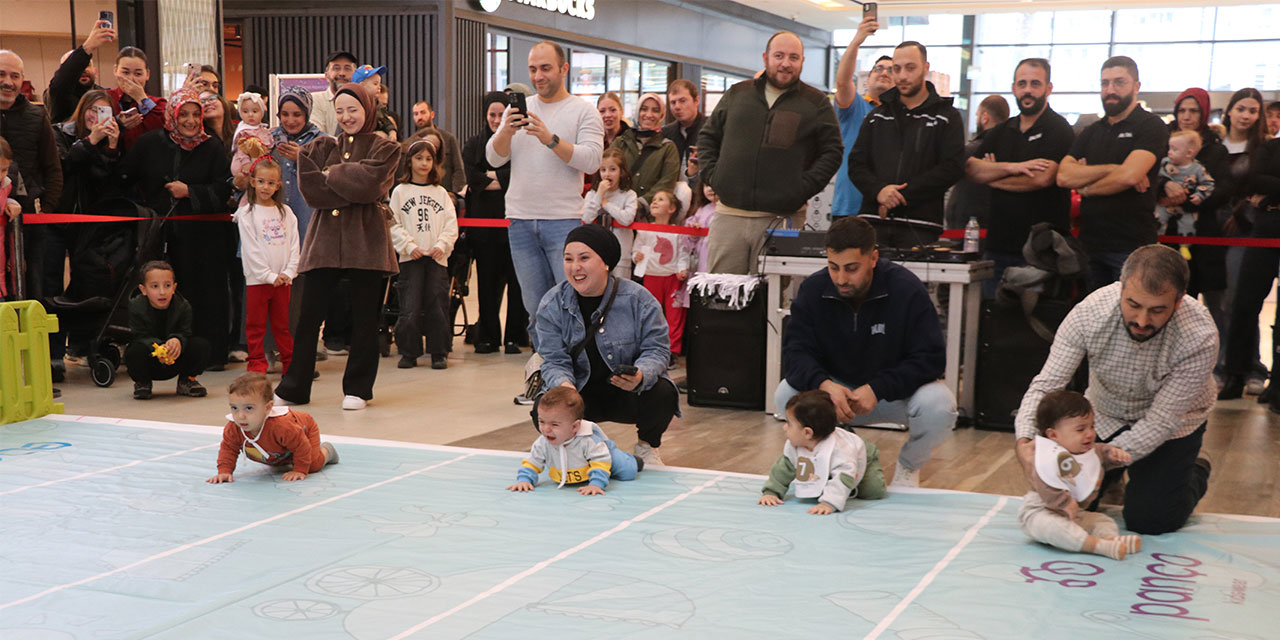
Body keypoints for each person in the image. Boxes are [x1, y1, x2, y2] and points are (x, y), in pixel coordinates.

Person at [1014, 245, 1215, 535]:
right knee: (1069, 505)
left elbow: (1161, 421)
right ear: (1121, 289)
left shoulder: (1200, 336)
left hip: (1176, 426)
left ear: (1180, 300)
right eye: (1133, 305)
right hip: (1104, 414)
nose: (1142, 321)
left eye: (1157, 310)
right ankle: (1115, 477)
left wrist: (1101, 460)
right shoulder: (1088, 315)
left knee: (1151, 520)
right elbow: (1047, 385)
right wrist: (1024, 442)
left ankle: (1196, 468)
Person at [778, 216, 955, 488]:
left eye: (851, 268)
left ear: (873, 257)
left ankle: (909, 468)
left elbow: (930, 358)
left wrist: (877, 388)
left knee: (939, 404)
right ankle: (830, 455)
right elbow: (795, 354)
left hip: (889, 396)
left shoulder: (906, 289)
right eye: (833, 267)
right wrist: (825, 385)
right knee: (786, 395)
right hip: (834, 396)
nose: (841, 278)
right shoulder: (813, 290)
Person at [273, 83, 401, 411]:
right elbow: (312, 191)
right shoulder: (320, 146)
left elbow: (370, 185)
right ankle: (295, 386)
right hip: (324, 240)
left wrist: (331, 175)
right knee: (307, 316)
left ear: (369, 110)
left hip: (367, 242)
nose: (346, 117)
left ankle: (358, 388)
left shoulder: (386, 149)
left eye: (353, 110)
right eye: (340, 110)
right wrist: (345, 179)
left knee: (363, 319)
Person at [486, 40, 604, 345]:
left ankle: (573, 380)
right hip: (520, 221)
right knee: (536, 309)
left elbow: (591, 159)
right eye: (533, 69)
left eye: (546, 68)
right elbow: (493, 158)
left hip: (562, 221)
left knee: (571, 305)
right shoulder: (519, 109)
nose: (538, 76)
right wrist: (507, 132)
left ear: (564, 69)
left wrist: (551, 139)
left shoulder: (584, 111)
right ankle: (547, 375)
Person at [697, 31, 843, 274]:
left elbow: (832, 151)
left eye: (794, 57)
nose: (786, 63)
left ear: (802, 61)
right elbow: (707, 137)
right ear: (766, 58)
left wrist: (802, 187)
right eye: (779, 55)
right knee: (722, 297)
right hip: (729, 217)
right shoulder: (737, 94)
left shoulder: (815, 103)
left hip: (783, 220)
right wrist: (714, 176)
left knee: (776, 300)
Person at [536, 225, 678, 466]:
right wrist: (565, 386)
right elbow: (553, 359)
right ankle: (572, 449)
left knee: (663, 392)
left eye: (584, 258)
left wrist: (641, 375)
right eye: (568, 259)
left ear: (606, 263)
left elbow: (658, 349)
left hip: (626, 392)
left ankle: (647, 447)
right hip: (579, 393)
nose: (575, 267)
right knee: (544, 405)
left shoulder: (638, 299)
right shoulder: (552, 303)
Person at [119, 88, 233, 370]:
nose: (191, 121)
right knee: (161, 294)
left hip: (205, 240)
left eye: (196, 114)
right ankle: (159, 356)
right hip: (162, 237)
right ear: (173, 115)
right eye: (184, 114)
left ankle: (208, 355)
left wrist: (190, 192)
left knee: (207, 296)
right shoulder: (150, 143)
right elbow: (124, 178)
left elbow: (224, 190)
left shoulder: (212, 146)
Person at [964, 58, 1075, 295]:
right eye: (1022, 83)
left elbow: (1040, 179)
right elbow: (972, 169)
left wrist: (992, 175)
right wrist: (1015, 168)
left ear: (1048, 88)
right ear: (1013, 88)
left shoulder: (1059, 129)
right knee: (992, 321)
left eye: (1035, 84)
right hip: (998, 246)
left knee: (1032, 327)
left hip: (1041, 252)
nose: (1028, 90)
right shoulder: (1001, 131)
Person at [1056, 56, 1168, 289]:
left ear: (1136, 86)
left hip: (1132, 246)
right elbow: (1064, 176)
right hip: (1090, 244)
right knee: (1093, 320)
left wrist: (1085, 186)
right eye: (1104, 83)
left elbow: (1129, 177)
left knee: (1131, 318)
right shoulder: (1091, 132)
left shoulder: (1150, 126)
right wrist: (1113, 169)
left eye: (1119, 82)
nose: (1110, 90)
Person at [847, 41, 965, 247]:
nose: (902, 76)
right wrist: (879, 191)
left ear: (925, 68)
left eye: (910, 68)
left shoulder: (946, 117)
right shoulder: (877, 116)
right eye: (897, 69)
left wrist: (899, 196)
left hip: (921, 226)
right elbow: (856, 164)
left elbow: (952, 167)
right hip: (873, 224)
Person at [1018, 390, 1142, 561]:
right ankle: (1097, 546)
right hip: (1041, 512)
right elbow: (1045, 485)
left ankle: (1112, 540)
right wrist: (1064, 502)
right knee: (1055, 528)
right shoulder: (1046, 457)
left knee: (1102, 520)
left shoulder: (1090, 451)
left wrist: (1113, 455)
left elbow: (1102, 453)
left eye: (1092, 426)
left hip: (1077, 513)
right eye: (1080, 429)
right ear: (1053, 435)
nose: (1090, 433)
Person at [50, 90, 120, 371]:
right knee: (51, 284)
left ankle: (82, 344)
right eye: (93, 109)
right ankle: (54, 353)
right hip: (56, 222)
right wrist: (90, 141)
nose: (97, 117)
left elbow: (109, 185)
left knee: (87, 282)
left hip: (90, 227)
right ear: (82, 110)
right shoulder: (59, 133)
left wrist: (112, 148)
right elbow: (63, 167)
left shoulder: (109, 141)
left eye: (104, 112)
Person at [1220, 90, 1280, 405]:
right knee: (1243, 303)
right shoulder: (1269, 147)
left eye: (1253, 110)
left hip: (1264, 221)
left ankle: (1274, 382)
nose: (1247, 115)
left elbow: (1261, 181)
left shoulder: (1265, 147)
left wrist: (1270, 187)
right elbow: (1254, 179)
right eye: (1240, 109)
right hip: (1265, 226)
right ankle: (1235, 373)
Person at [463, 91, 527, 355]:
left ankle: (515, 335)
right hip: (483, 228)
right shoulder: (473, 144)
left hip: (514, 223)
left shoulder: (521, 142)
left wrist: (492, 176)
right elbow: (473, 179)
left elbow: (520, 176)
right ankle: (488, 336)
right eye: (492, 114)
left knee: (517, 284)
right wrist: (500, 177)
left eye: (502, 115)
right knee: (486, 284)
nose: (496, 119)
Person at [0, 50, 63, 308]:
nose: (8, 81)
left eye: (14, 76)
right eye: (1, 74)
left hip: (30, 226)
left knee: (31, 291)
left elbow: (53, 169)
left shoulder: (37, 117)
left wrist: (44, 211)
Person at [758, 389, 887, 514]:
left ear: (807, 432)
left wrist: (830, 502)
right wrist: (771, 492)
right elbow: (782, 470)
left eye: (789, 423)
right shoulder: (795, 445)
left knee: (872, 492)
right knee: (827, 478)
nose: (784, 427)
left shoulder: (841, 450)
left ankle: (856, 479)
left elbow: (845, 476)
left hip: (863, 455)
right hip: (838, 460)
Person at [390, 139, 459, 370]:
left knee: (437, 305)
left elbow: (451, 224)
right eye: (419, 158)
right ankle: (409, 351)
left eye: (429, 159)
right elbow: (392, 223)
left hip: (436, 259)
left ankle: (439, 351)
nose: (424, 163)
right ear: (409, 161)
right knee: (409, 307)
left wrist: (442, 244)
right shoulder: (400, 192)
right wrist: (409, 246)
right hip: (411, 259)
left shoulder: (440, 193)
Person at [506, 385, 642, 495]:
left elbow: (600, 461)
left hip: (603, 456)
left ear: (575, 426)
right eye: (542, 421)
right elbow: (532, 462)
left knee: (627, 472)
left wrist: (596, 484)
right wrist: (524, 480)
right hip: (579, 469)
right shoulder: (543, 442)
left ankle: (632, 460)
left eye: (554, 424)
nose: (546, 429)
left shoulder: (588, 440)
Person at [208, 372, 339, 484]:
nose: (240, 416)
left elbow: (301, 445)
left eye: (249, 408)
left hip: (305, 430)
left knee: (312, 465)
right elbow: (228, 449)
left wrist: (299, 470)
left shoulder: (282, 426)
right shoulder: (233, 428)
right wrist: (224, 471)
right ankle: (289, 458)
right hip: (281, 448)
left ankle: (327, 450)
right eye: (234, 408)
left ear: (268, 408)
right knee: (276, 462)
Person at [234, 156, 298, 375]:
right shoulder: (247, 214)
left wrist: (289, 272)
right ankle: (257, 365)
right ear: (252, 182)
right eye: (261, 181)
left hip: (283, 281)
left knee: (282, 326)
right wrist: (269, 275)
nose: (265, 187)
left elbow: (294, 245)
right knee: (255, 326)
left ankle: (290, 365)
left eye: (271, 183)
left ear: (278, 185)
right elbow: (251, 251)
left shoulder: (286, 213)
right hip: (258, 281)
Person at [831, 16, 890, 218]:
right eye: (879, 68)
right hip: (848, 208)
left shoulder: (901, 116)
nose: (884, 73)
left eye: (891, 70)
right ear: (869, 78)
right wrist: (857, 40)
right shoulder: (855, 106)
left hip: (883, 209)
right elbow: (843, 81)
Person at [125, 261, 211, 399]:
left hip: (176, 358)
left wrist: (177, 340)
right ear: (143, 290)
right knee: (133, 351)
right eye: (154, 286)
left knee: (201, 345)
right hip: (150, 358)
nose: (162, 292)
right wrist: (159, 347)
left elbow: (185, 331)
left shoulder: (183, 306)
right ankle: (142, 383)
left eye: (167, 285)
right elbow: (139, 335)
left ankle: (187, 380)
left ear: (174, 287)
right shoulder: (136, 306)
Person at [632, 189, 689, 358]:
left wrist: (682, 268)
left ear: (671, 209)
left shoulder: (678, 232)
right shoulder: (644, 230)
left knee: (674, 316)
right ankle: (650, 348)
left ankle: (672, 352)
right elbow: (635, 251)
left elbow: (683, 253)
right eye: (654, 200)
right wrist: (637, 256)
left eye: (661, 199)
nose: (654, 202)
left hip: (672, 278)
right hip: (651, 276)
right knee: (651, 312)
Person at [943, 94, 1008, 231]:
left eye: (977, 115)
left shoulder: (973, 150)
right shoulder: (1009, 148)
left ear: (985, 117)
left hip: (967, 224)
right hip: (995, 222)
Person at [609, 93, 679, 206]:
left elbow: (666, 183)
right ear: (637, 112)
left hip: (650, 214)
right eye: (644, 109)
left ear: (661, 115)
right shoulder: (620, 142)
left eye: (655, 110)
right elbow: (607, 172)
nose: (649, 114)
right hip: (618, 209)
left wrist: (642, 204)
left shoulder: (668, 148)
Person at [582, 148, 638, 278]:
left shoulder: (629, 195)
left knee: (620, 289)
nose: (607, 174)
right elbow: (587, 218)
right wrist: (599, 195)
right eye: (603, 170)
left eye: (613, 169)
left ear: (621, 172)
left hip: (622, 254)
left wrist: (606, 204)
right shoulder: (592, 195)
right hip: (596, 251)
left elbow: (627, 219)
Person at [44, 19, 113, 124]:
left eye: (87, 65)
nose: (83, 69)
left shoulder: (105, 95)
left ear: (96, 72)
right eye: (78, 67)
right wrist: (88, 47)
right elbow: (61, 84)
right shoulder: (57, 95)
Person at [1155, 131, 1215, 242]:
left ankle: (1185, 245)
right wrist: (1162, 184)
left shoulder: (1198, 169)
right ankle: (1157, 240)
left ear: (1189, 153)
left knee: (1189, 223)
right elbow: (1155, 176)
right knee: (1158, 218)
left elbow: (1208, 183)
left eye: (1174, 149)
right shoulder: (1165, 163)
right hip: (1164, 202)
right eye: (1169, 148)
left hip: (1186, 206)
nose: (1169, 153)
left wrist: (1199, 195)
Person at [106, 47, 167, 151]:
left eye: (138, 74)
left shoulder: (158, 104)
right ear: (115, 70)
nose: (131, 79)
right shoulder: (105, 98)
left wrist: (141, 98)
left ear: (147, 74)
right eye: (125, 73)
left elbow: (163, 131)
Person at [662, 79, 704, 183]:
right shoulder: (665, 134)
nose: (677, 107)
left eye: (682, 101)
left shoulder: (711, 130)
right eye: (673, 102)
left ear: (696, 101)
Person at [310, 50, 358, 136]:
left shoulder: (363, 101)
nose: (342, 73)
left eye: (347, 68)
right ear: (326, 76)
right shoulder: (315, 100)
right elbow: (317, 137)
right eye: (336, 68)